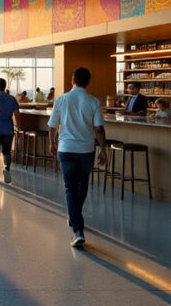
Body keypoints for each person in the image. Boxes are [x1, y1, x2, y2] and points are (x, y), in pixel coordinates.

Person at [48, 67, 108, 248]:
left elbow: (52, 125)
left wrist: (52, 143)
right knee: (82, 185)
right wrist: (103, 149)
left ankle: (78, 230)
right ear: (88, 81)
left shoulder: (61, 99)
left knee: (70, 187)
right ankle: (76, 219)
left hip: (66, 149)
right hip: (86, 150)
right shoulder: (93, 101)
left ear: (72, 80)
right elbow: (99, 129)